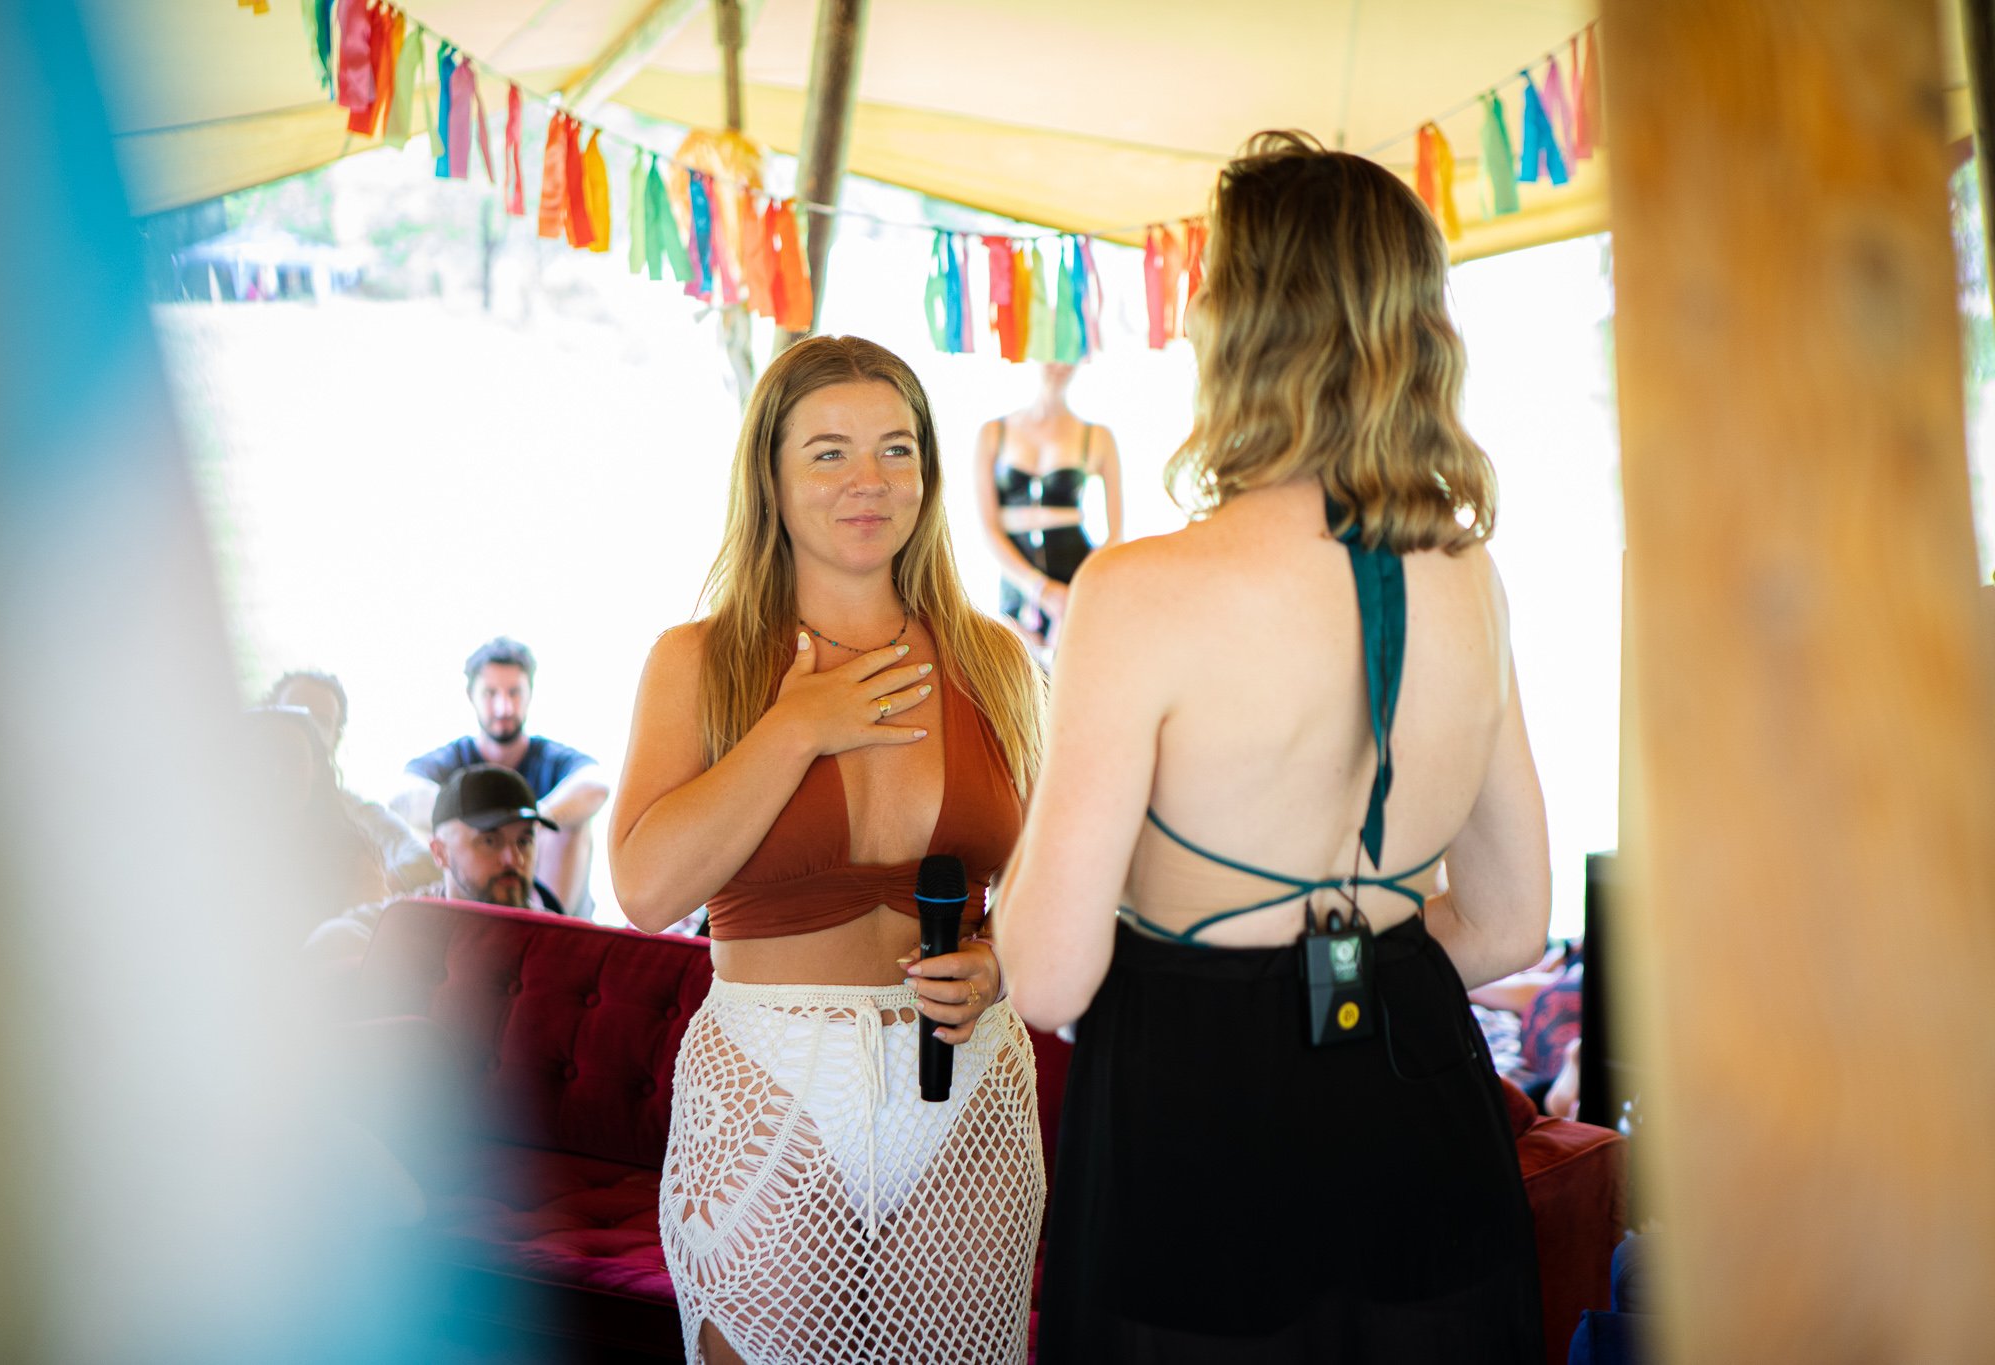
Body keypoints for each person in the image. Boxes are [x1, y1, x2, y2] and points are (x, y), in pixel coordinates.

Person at [996, 133, 1551, 1362]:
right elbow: (1512, 923)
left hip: (1193, 1128)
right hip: (1414, 1100)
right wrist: (1347, 1006)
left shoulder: (1138, 592)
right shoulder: (1470, 580)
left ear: (1239, 325)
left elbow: (1044, 979)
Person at [609, 335, 1046, 1365]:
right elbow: (644, 887)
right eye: (828, 453)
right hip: (770, 1080)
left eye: (896, 451)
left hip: (967, 1084)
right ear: (769, 472)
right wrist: (793, 728)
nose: (868, 482)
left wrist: (1001, 958)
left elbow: (1050, 877)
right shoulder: (699, 662)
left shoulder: (996, 661)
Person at [393, 637, 610, 916]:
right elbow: (401, 795)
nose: (504, 707)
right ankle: (442, 921)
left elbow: (596, 784)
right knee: (438, 826)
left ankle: (553, 929)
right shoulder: (451, 759)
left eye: (514, 693)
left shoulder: (552, 759)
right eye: (491, 693)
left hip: (547, 891)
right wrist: (465, 823)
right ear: (472, 695)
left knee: (573, 824)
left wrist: (533, 821)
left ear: (530, 694)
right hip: (465, 893)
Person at [306, 763, 566, 964]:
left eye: (524, 841)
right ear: (439, 852)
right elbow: (333, 937)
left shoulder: (559, 941)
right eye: (490, 841)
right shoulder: (403, 921)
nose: (514, 859)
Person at [972, 361, 1123, 651]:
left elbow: (1116, 535)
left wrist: (1074, 595)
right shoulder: (993, 432)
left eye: (1069, 349)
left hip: (1075, 586)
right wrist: (1040, 590)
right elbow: (987, 528)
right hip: (1017, 583)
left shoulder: (1098, 436)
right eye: (1050, 348)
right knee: (1017, 684)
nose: (1059, 361)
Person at [264, 669, 438, 894]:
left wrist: (363, 888)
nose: (309, 730)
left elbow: (423, 860)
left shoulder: (353, 812)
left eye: (322, 722)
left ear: (335, 739)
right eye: (294, 714)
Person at [241, 706, 393, 937]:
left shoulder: (349, 852)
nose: (279, 772)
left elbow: (373, 936)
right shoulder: (208, 849)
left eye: (294, 757)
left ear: (317, 769)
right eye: (264, 758)